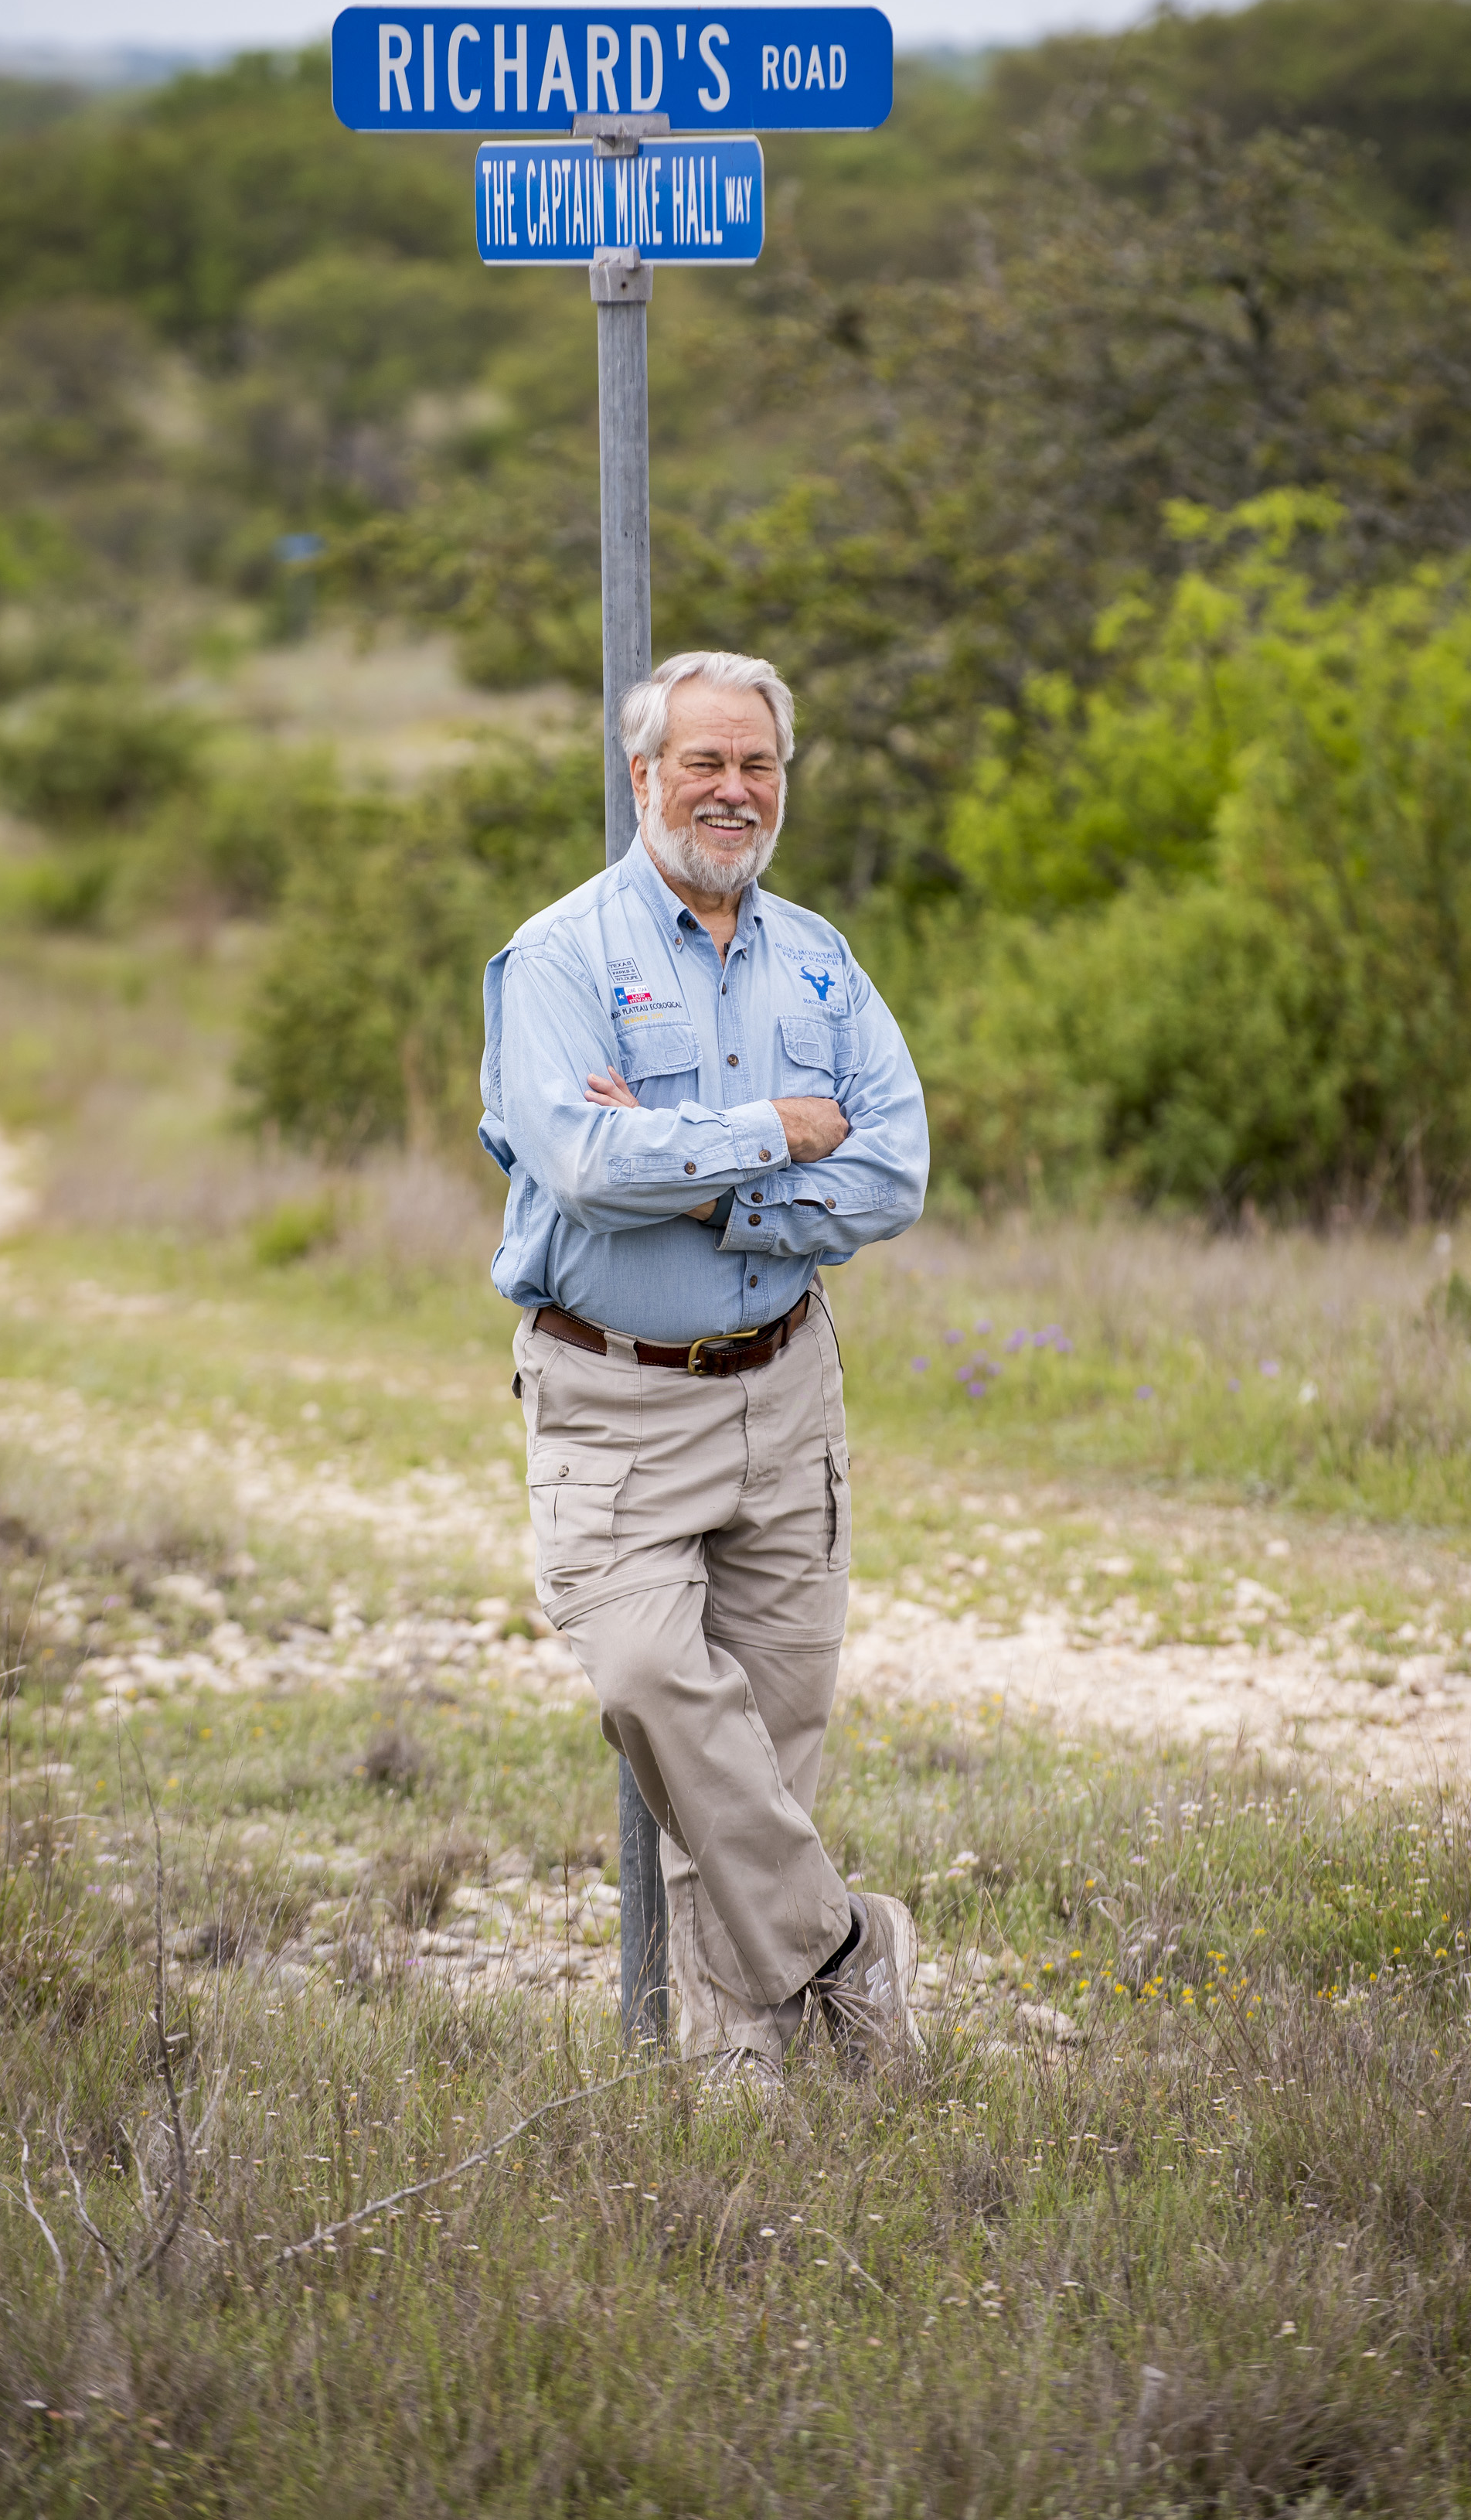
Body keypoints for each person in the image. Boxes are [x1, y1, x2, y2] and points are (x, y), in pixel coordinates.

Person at [478, 650, 931, 2099]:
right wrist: (781, 1129)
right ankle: (849, 1951)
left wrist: (711, 1180)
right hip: (612, 1397)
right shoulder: (556, 960)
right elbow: (585, 1162)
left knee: (770, 1740)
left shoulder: (820, 957)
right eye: (704, 764)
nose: (733, 792)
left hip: (788, 1385)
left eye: (758, 767)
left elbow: (894, 1171)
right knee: (651, 1684)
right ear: (642, 777)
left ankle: (740, 2071)